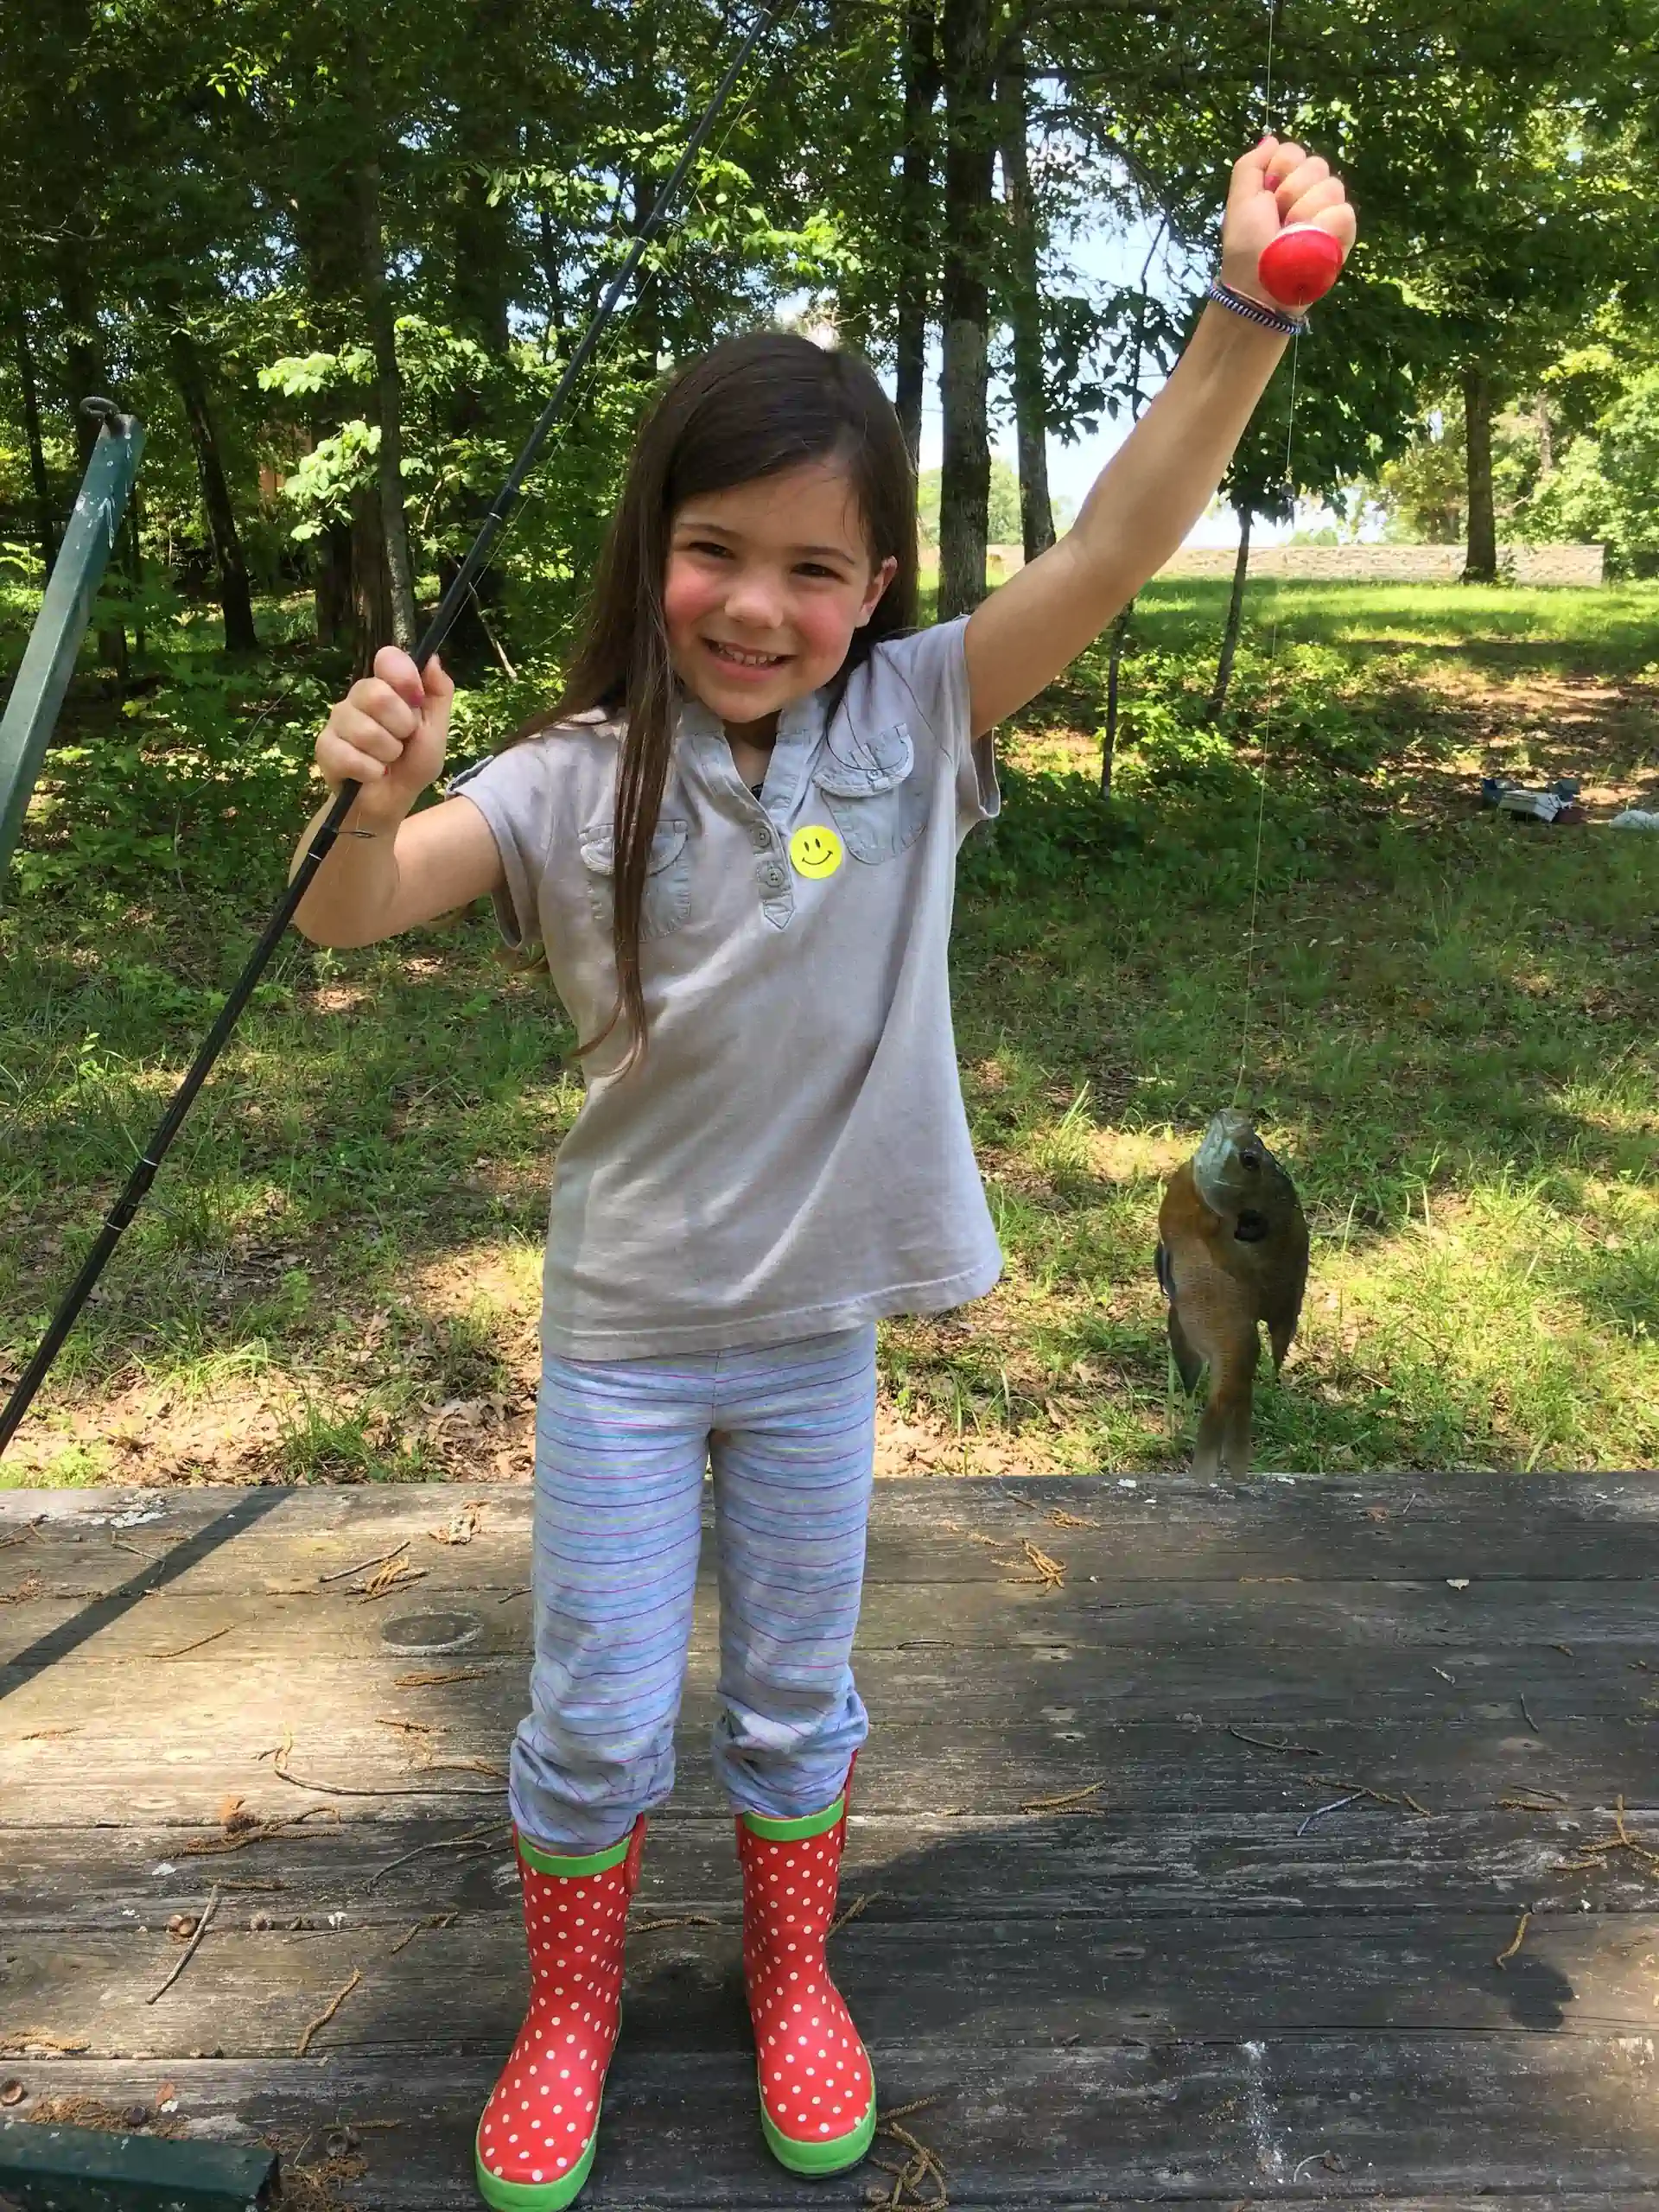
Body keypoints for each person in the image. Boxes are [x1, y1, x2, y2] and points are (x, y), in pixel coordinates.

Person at [292, 137, 1354, 2212]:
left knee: (797, 1696)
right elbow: (353, 912)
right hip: (621, 1342)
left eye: (814, 566)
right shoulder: (565, 773)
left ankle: (797, 1977)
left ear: (877, 588)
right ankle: (571, 2008)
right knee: (593, 1716)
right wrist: (362, 802)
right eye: (713, 549)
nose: (758, 603)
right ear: (648, 549)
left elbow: (1122, 542)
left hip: (811, 1347)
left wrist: (1251, 315)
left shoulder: (925, 719)